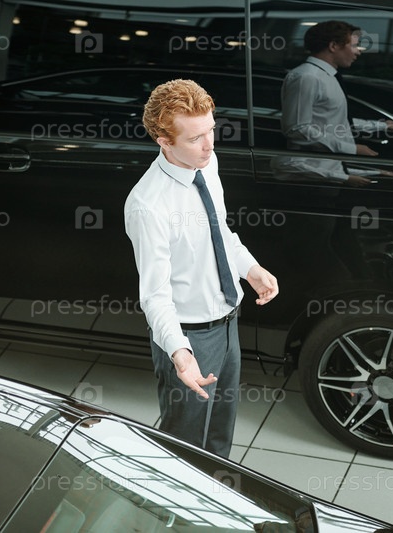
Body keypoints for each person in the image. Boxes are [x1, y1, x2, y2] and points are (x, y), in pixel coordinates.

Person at [124, 79, 279, 458]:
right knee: (184, 448)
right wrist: (181, 354)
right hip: (189, 338)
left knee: (220, 435)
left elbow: (218, 231)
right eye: (195, 138)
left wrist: (249, 267)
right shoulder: (148, 206)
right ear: (164, 141)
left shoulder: (206, 164)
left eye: (211, 130)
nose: (209, 144)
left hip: (228, 323)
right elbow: (155, 296)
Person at [278, 20, 393, 186]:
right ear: (333, 46)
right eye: (354, 45)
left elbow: (336, 121)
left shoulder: (328, 77)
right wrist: (353, 149)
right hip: (310, 180)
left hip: (327, 173)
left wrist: (383, 126)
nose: (358, 52)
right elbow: (297, 129)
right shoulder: (307, 77)